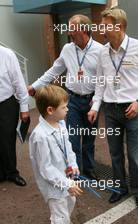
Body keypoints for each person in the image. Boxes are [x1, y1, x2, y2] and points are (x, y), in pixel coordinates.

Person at [88, 7, 138, 209]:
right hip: (110, 111)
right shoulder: (103, 52)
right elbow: (100, 83)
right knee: (115, 153)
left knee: (135, 156)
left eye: (105, 26)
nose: (101, 30)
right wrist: (95, 106)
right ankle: (120, 188)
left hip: (133, 110)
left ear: (118, 26)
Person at [28, 14, 103, 179]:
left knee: (89, 139)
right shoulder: (68, 49)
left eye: (72, 29)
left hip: (91, 100)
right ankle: (74, 172)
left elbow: (102, 81)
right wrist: (35, 86)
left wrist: (96, 104)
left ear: (83, 30)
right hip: (72, 101)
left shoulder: (100, 50)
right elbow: (54, 70)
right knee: (73, 138)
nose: (69, 32)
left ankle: (89, 169)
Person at [29, 85, 82, 224]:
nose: (67, 109)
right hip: (53, 184)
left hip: (66, 177)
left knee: (70, 201)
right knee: (60, 216)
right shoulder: (40, 136)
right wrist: (67, 184)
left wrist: (73, 165)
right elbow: (46, 169)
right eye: (64, 107)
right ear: (50, 110)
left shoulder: (61, 124)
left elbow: (68, 148)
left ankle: (61, 221)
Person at [0, 45, 29, 186]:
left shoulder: (7, 54)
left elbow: (18, 81)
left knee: (7, 138)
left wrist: (24, 107)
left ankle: (12, 172)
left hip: (6, 103)